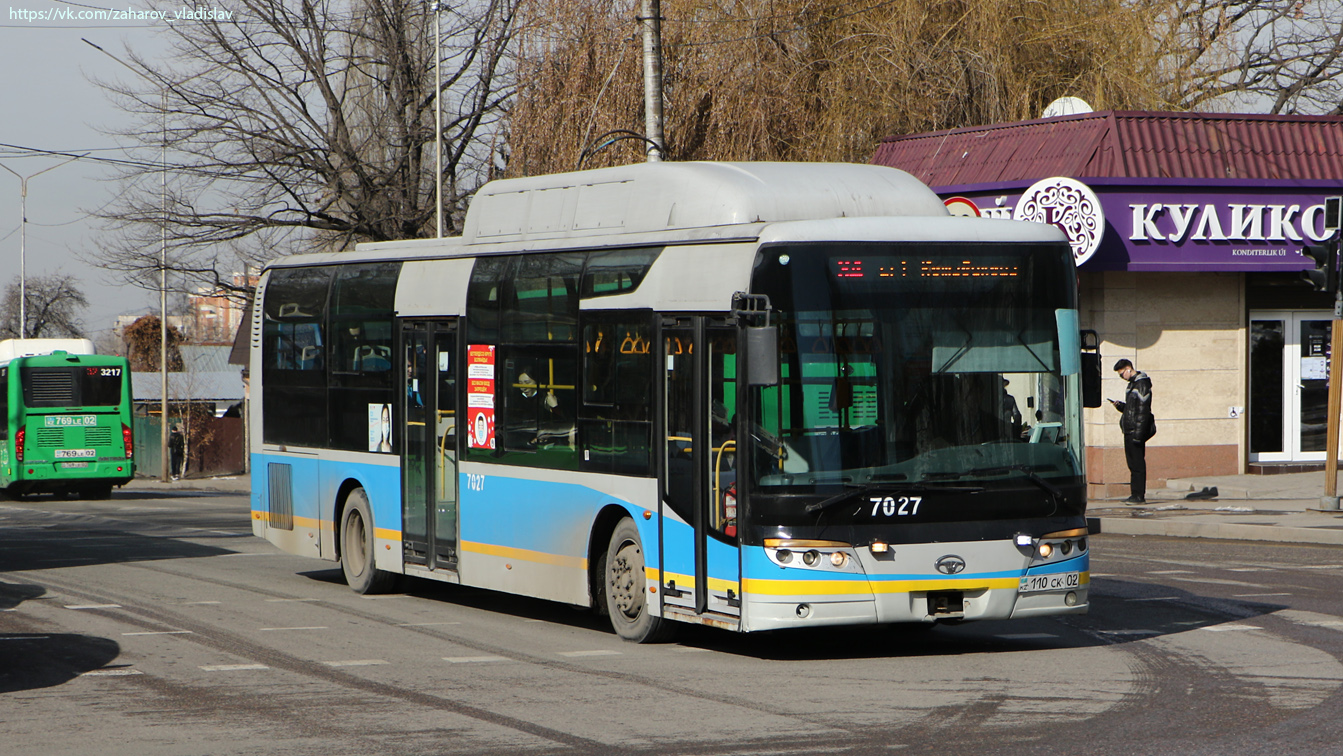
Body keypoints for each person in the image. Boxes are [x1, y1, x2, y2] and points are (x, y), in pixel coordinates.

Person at [1109, 359, 1155, 504]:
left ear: (1128, 369)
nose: (1122, 377)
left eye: (1122, 374)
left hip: (1135, 431)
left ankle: (1139, 495)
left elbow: (1143, 412)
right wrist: (1121, 406)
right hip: (1129, 429)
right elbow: (1132, 409)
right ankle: (1134, 494)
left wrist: (1139, 435)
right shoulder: (1132, 385)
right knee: (1132, 465)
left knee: (1137, 465)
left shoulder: (1141, 384)